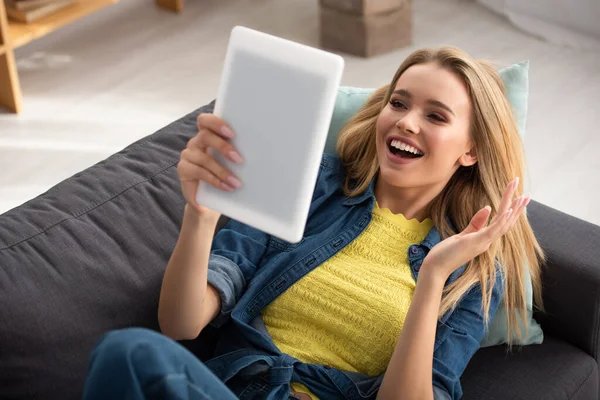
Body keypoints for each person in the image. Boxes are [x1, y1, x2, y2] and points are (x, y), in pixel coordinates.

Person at [82, 46, 544, 400]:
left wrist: (433, 276)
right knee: (128, 352)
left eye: (435, 116)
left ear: (471, 150)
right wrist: (200, 216)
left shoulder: (473, 268)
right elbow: (181, 324)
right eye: (399, 104)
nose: (405, 122)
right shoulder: (310, 182)